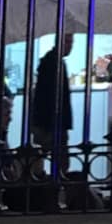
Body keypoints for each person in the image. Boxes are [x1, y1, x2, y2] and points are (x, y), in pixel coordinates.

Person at [30, 32, 75, 164]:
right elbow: (50, 96)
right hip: (51, 122)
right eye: (67, 42)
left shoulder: (52, 60)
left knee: (40, 159)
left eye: (71, 42)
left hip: (48, 121)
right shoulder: (54, 63)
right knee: (60, 161)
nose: (70, 46)